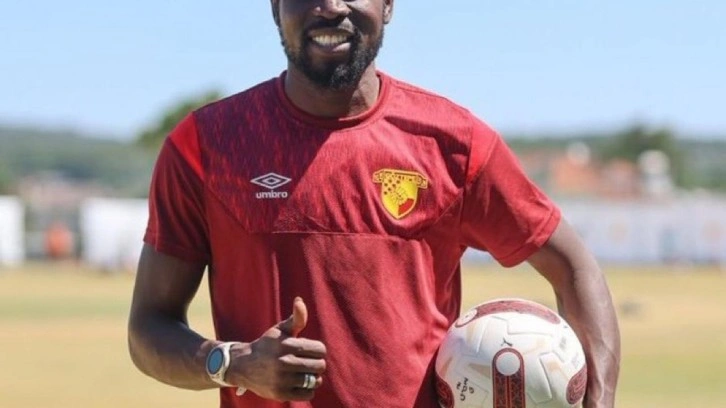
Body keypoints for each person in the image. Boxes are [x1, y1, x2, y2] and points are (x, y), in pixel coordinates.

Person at [127, 0, 621, 407]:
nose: (331, 7)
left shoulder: (455, 143)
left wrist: (598, 401)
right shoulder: (205, 146)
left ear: (388, 6)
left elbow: (573, 267)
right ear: (275, 7)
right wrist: (234, 363)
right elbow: (149, 329)